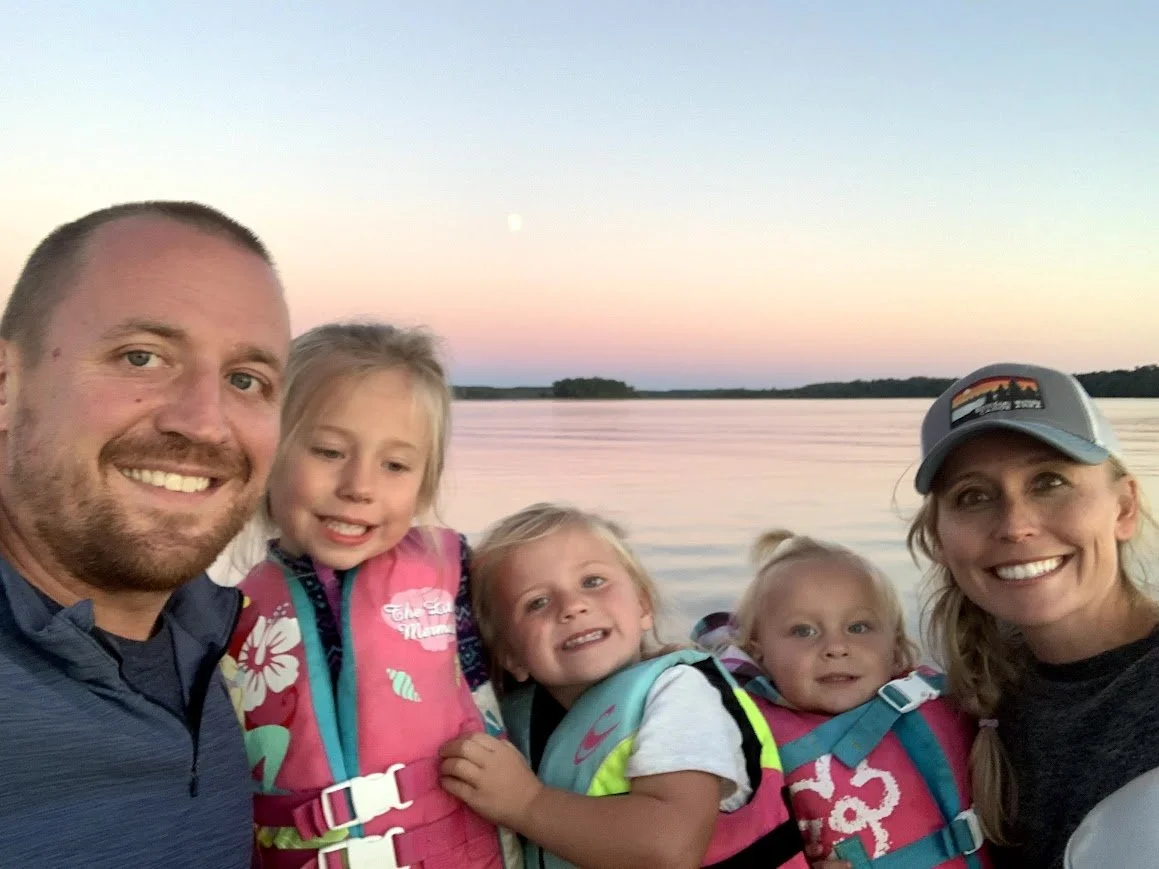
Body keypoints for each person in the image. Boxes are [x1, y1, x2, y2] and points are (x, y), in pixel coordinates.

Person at [0, 202, 291, 867]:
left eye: (245, 380)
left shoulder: (213, 635)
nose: (205, 423)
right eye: (143, 357)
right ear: (5, 385)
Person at [226, 322, 516, 869]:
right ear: (267, 453)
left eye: (395, 465)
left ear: (424, 484)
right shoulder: (219, 615)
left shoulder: (456, 577)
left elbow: (536, 655)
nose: (360, 485)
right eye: (330, 451)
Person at [441, 503, 808, 869]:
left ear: (643, 605)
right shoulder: (517, 721)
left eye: (593, 582)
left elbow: (669, 847)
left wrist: (526, 803)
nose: (573, 606)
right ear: (510, 655)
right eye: (536, 602)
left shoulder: (679, 696)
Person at [909, 361, 1157, 869]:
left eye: (1049, 481)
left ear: (1124, 508)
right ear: (939, 539)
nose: (1015, 526)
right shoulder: (956, 700)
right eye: (973, 496)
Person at [693, 531, 990, 869]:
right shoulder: (745, 749)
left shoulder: (945, 702)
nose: (836, 646)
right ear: (760, 655)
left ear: (895, 648)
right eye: (803, 631)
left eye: (859, 627)